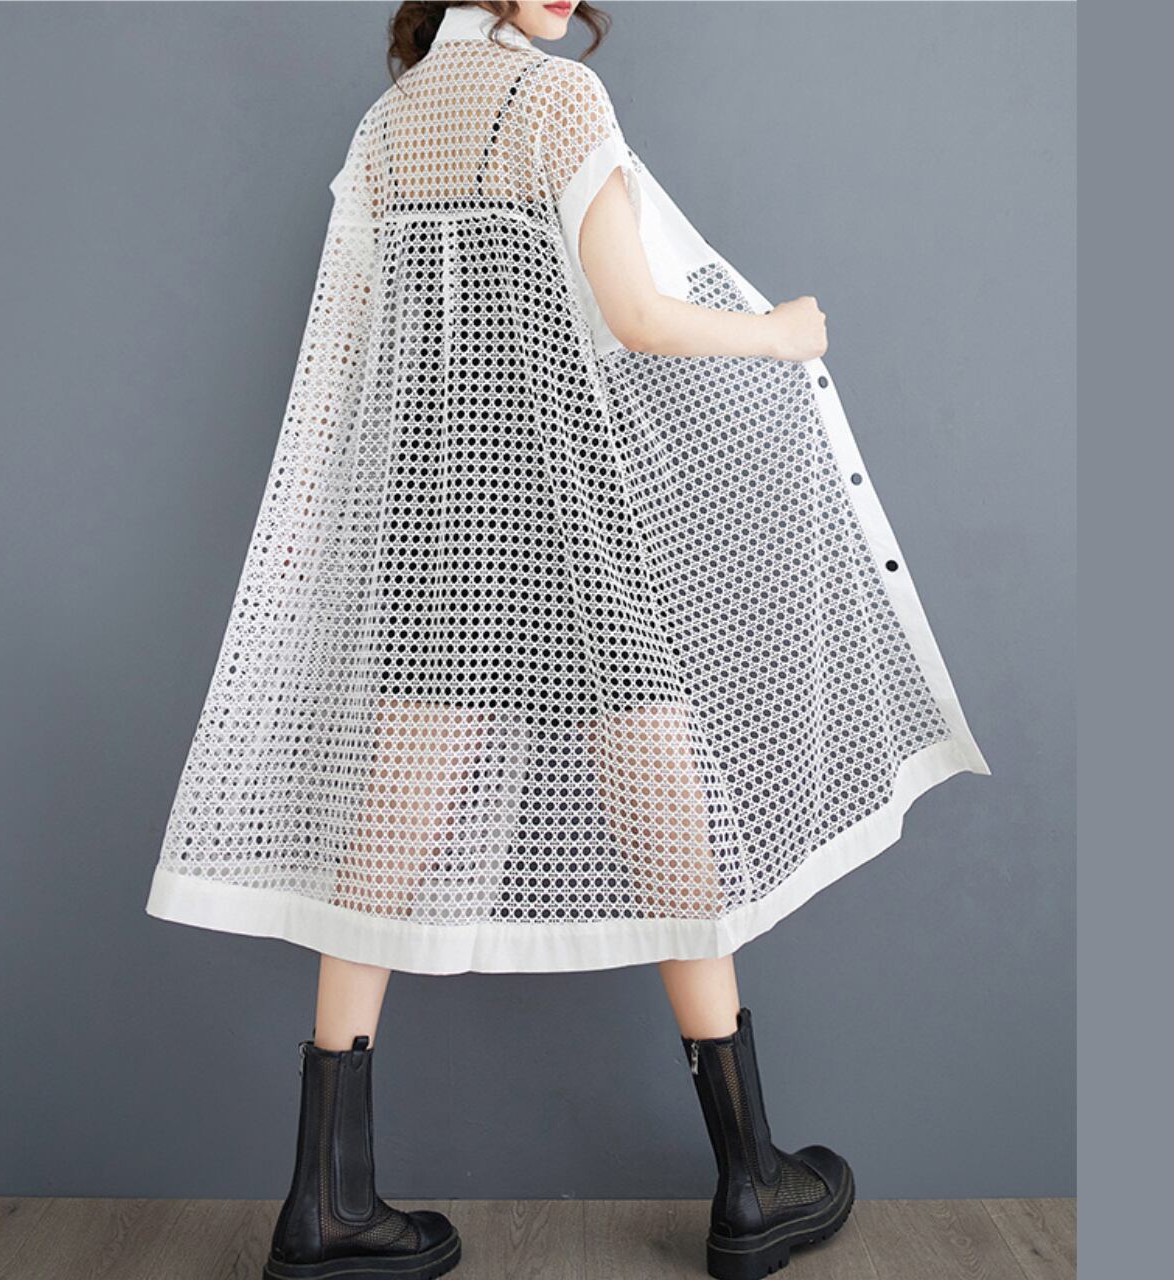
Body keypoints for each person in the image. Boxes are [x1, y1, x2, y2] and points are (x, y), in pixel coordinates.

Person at [144, 4, 991, 1278]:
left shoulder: (386, 127)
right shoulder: (555, 102)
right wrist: (780, 333)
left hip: (437, 508)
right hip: (560, 496)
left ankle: (323, 1200)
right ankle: (749, 1179)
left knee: (390, 827)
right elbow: (636, 315)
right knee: (666, 812)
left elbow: (354, 361)